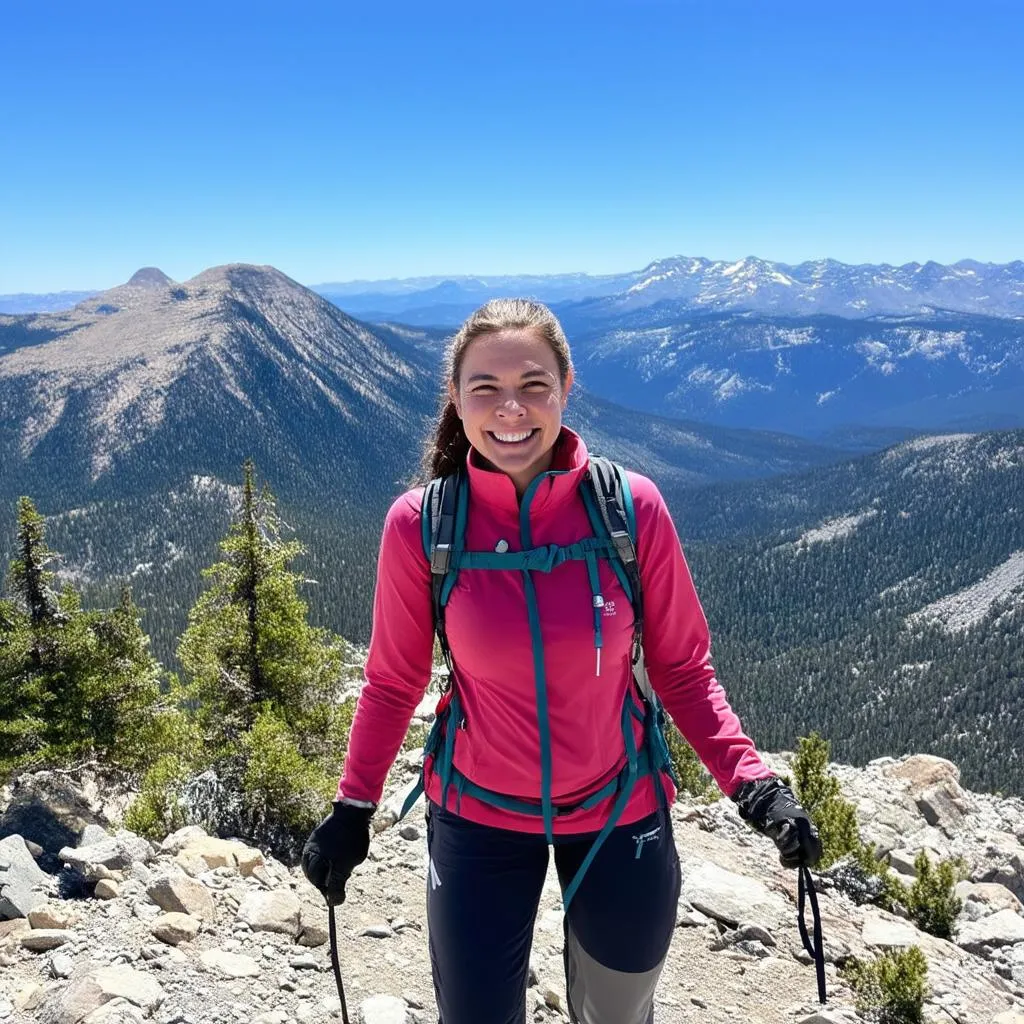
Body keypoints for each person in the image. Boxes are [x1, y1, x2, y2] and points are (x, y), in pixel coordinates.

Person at [302, 299, 822, 1024]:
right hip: (476, 816)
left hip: (621, 808)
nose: (510, 408)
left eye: (533, 385)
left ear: (566, 388)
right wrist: (353, 808)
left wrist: (754, 784)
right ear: (455, 398)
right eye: (485, 387)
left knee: (618, 1014)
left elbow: (681, 669)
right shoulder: (422, 525)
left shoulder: (629, 510)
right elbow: (394, 681)